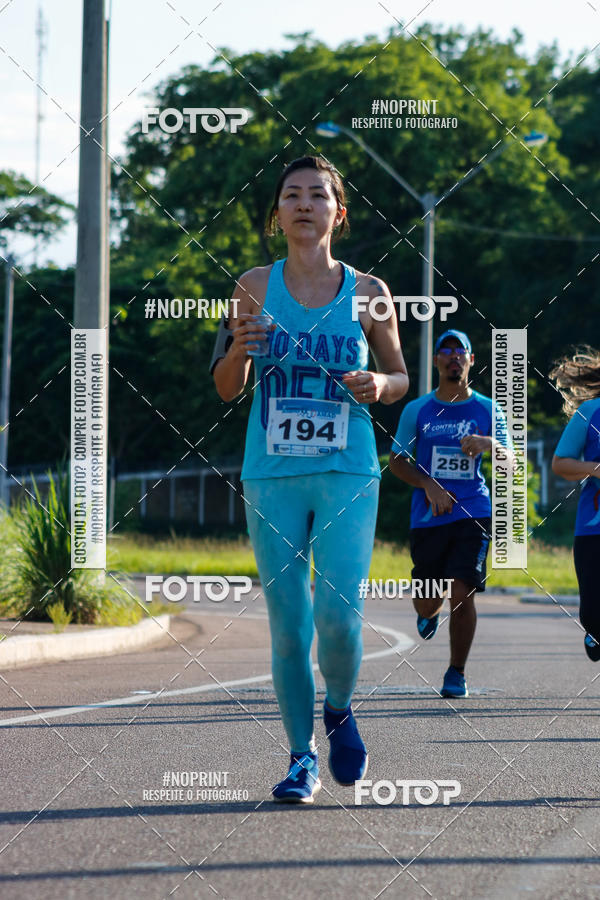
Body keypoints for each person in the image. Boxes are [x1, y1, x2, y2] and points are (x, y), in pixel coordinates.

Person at [212, 156, 408, 802]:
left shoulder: (369, 291)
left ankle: (342, 707)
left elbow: (402, 377)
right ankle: (301, 757)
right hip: (272, 476)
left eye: (318, 195)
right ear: (277, 214)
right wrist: (242, 346)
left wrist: (379, 385)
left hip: (348, 469)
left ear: (338, 214)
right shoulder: (249, 286)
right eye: (291, 195)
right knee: (290, 625)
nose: (304, 204)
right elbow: (223, 387)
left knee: (340, 616)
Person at [389, 329, 511, 698]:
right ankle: (427, 615)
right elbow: (396, 460)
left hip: (473, 510)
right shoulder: (418, 409)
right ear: (437, 360)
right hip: (427, 517)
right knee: (428, 598)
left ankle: (456, 672)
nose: (454, 356)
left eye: (462, 351)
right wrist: (427, 484)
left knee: (463, 593)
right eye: (447, 350)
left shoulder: (489, 409)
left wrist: (492, 443)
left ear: (472, 361)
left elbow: (512, 461)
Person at [550, 347, 600, 662]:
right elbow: (560, 463)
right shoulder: (590, 412)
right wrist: (595, 469)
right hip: (593, 529)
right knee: (594, 614)